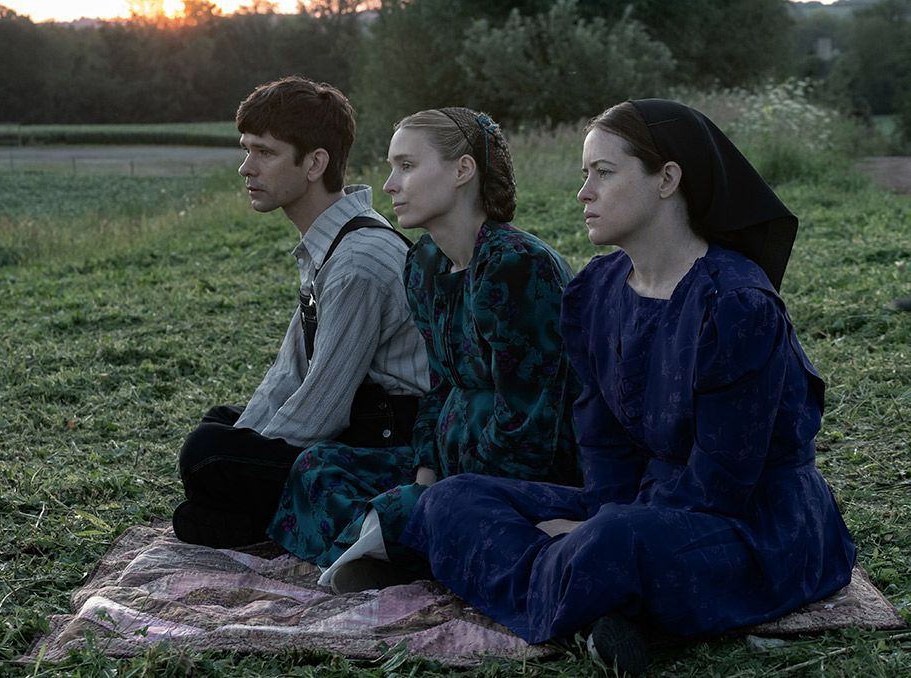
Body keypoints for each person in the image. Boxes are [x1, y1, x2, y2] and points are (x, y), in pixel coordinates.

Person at [401, 99, 857, 674]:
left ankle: (575, 588)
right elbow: (602, 441)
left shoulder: (735, 304)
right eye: (584, 175)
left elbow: (722, 480)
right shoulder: (596, 289)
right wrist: (598, 513)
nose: (583, 193)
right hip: (637, 502)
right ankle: (592, 604)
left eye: (604, 173)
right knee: (451, 499)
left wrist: (596, 527)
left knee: (617, 539)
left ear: (667, 178)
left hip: (753, 524)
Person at [267, 107, 581, 593]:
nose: (390, 185)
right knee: (317, 469)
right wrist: (426, 474)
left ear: (462, 171)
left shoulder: (517, 267)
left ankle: (408, 544)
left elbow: (530, 422)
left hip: (522, 473)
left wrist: (442, 495)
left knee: (423, 509)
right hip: (448, 464)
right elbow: (439, 389)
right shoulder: (425, 263)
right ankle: (407, 547)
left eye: (407, 166)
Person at [173, 76, 429, 548]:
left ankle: (276, 515)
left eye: (265, 153)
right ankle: (257, 514)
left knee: (206, 455)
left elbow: (322, 407)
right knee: (218, 427)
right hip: (352, 421)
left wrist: (246, 457)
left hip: (384, 445)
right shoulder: (330, 243)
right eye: (246, 149)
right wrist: (248, 439)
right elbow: (290, 372)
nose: (246, 168)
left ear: (314, 163)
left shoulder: (359, 261)